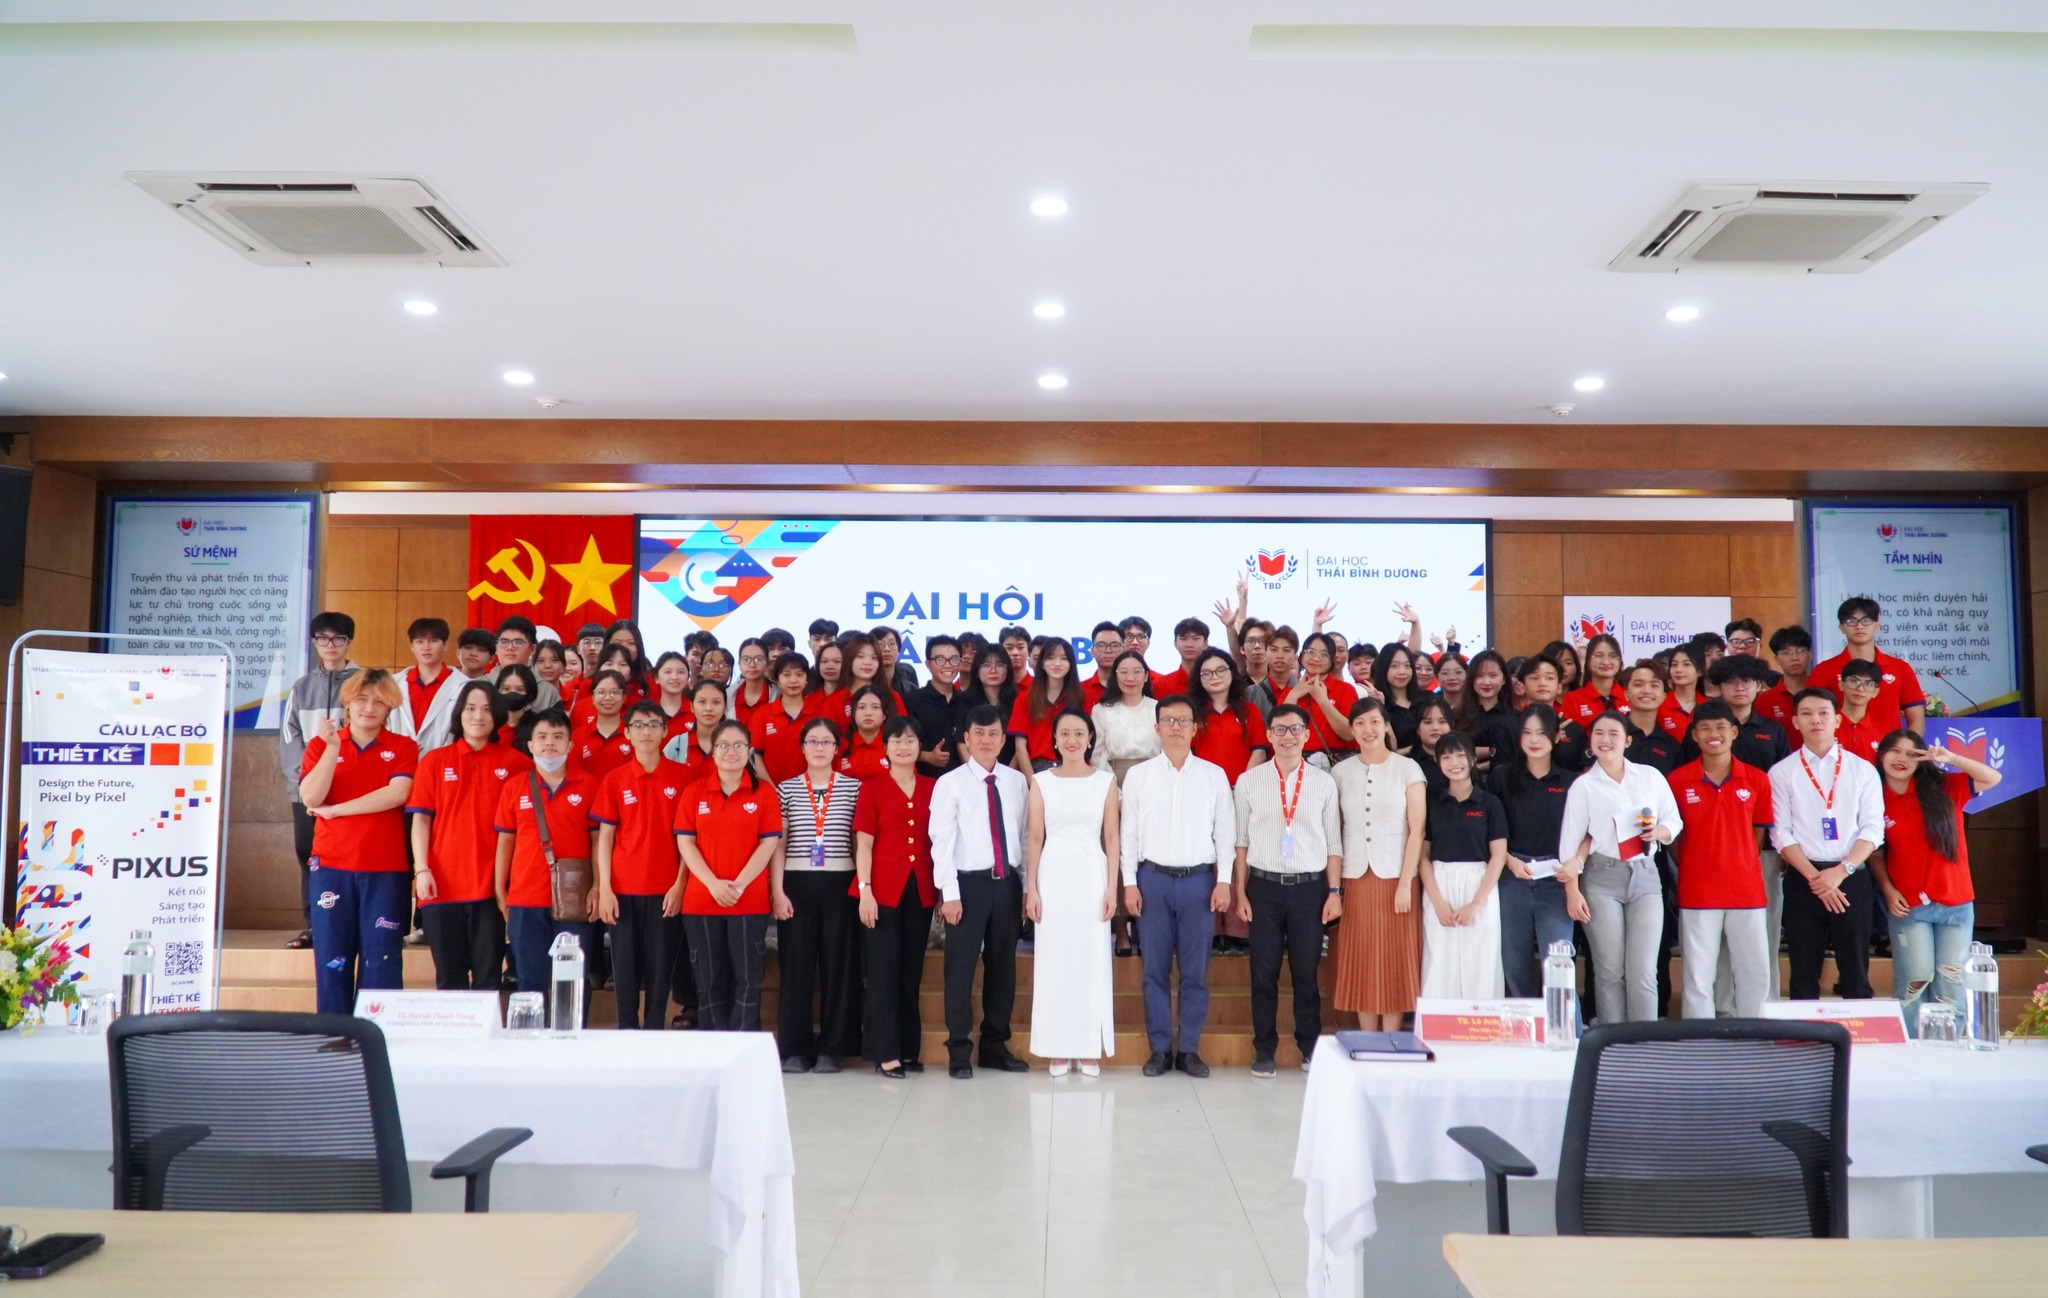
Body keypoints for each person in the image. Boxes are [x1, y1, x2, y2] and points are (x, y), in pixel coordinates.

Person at [1118, 696, 1235, 1076]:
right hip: (1151, 879)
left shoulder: (1213, 775)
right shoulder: (1139, 776)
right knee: (1153, 969)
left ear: (1195, 727)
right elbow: (1128, 834)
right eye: (1168, 720)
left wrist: (1224, 880)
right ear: (1157, 728)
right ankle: (1159, 1050)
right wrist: (1130, 884)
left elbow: (1226, 833)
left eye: (1184, 720)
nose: (1176, 727)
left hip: (1198, 882)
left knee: (1194, 971)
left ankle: (1188, 1050)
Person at [298, 668, 416, 1013]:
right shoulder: (321, 744)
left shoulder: (404, 746)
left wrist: (336, 810)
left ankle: (377, 1032)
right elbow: (311, 797)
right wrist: (332, 749)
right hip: (331, 866)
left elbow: (397, 793)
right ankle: (334, 1034)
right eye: (362, 699)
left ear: (390, 707)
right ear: (348, 702)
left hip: (385, 868)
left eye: (379, 701)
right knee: (331, 957)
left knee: (382, 958)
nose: (369, 708)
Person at [1234, 703, 1342, 1077]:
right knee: (1262, 973)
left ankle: (1309, 1047)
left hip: (1308, 890)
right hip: (1263, 887)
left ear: (1307, 735)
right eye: (1279, 730)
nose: (1288, 736)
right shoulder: (1249, 781)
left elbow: (1334, 844)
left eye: (1295, 729)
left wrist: (1334, 892)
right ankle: (1264, 1050)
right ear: (1268, 735)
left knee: (1305, 973)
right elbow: (1241, 843)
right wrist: (1240, 892)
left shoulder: (1324, 783)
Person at [1869, 731, 2000, 1033]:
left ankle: (1946, 1047)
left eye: (1911, 754)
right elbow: (1874, 854)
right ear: (1881, 754)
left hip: (1956, 903)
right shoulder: (1873, 797)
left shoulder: (1945, 787)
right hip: (1909, 906)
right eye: (1894, 751)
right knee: (1914, 980)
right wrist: (1888, 890)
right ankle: (1911, 1045)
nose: (1901, 759)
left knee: (1951, 982)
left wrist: (1951, 758)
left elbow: (1992, 777)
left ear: (1922, 759)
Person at [1560, 712, 1683, 1023]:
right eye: (1598, 733)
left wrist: (1660, 832)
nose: (1605, 740)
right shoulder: (1584, 786)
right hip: (1601, 877)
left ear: (1627, 741)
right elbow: (1570, 844)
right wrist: (1572, 891)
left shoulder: (1650, 776)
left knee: (1644, 971)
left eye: (1613, 733)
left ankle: (1644, 1041)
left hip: (1645, 875)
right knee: (1610, 970)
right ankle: (1612, 1040)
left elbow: (1674, 819)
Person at [931, 705, 1032, 1078]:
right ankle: (959, 1051)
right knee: (960, 969)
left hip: (1007, 885)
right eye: (979, 733)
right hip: (967, 885)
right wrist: (949, 893)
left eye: (993, 734)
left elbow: (1024, 837)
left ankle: (994, 1046)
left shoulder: (1016, 781)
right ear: (967, 739)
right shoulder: (951, 783)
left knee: (1003, 968)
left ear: (1003, 740)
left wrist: (1026, 887)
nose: (986, 740)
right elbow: (941, 842)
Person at [408, 679, 529, 992]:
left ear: (497, 715)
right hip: (441, 887)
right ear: (459, 713)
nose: (478, 716)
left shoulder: (518, 764)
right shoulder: (435, 761)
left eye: (487, 709)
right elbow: (421, 820)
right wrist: (422, 870)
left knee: (489, 980)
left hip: (492, 890)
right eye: (471, 708)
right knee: (449, 980)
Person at [1769, 687, 1886, 1002]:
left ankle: (1858, 1031)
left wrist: (1840, 871)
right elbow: (1780, 833)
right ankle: (1804, 1033)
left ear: (1837, 720)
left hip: (1851, 876)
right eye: (1806, 714)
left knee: (1855, 969)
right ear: (1795, 722)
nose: (1815, 720)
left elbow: (1873, 828)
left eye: (1823, 713)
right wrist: (1816, 879)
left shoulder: (1862, 769)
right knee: (1803, 968)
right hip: (1803, 878)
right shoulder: (1782, 772)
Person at [1025, 711, 1122, 1076]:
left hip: (1091, 874)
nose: (1072, 740)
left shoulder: (1105, 782)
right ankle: (1057, 1047)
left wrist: (1111, 887)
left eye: (1079, 733)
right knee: (1055, 961)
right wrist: (1031, 888)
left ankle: (1087, 1047)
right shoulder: (1041, 782)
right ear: (1054, 739)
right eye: (1064, 733)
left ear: (1090, 739)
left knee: (1090, 959)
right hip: (1053, 874)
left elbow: (1111, 837)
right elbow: (1036, 837)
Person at [1665, 700, 1775, 1018]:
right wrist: (1696, 864)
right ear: (1694, 735)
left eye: (1720, 727)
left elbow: (1758, 834)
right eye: (1705, 728)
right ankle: (1699, 1039)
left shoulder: (1757, 779)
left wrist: (1738, 862)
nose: (1713, 734)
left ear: (1734, 732)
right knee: (1698, 977)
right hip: (1698, 891)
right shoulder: (1677, 781)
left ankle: (1755, 1034)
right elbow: (1673, 838)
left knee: (1754, 973)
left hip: (1747, 891)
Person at [676, 718, 782, 1031]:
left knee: (747, 979)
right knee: (708, 980)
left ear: (749, 751)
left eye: (739, 745)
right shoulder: (695, 791)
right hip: (701, 900)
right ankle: (714, 1045)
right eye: (723, 745)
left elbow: (769, 843)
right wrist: (712, 884)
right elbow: (686, 842)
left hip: (749, 900)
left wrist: (739, 885)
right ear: (712, 750)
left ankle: (743, 1044)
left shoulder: (764, 793)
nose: (731, 751)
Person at [591, 701, 690, 1030]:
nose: (646, 732)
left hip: (665, 890)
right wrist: (605, 889)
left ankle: (654, 1034)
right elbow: (605, 838)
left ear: (665, 731)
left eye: (653, 725)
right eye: (638, 726)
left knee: (661, 971)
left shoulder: (683, 778)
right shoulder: (615, 779)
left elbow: (689, 840)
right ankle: (626, 1034)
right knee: (624, 969)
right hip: (622, 890)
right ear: (627, 733)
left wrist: (680, 885)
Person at [772, 717, 864, 1072]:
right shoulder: (787, 789)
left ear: (837, 748)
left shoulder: (854, 788)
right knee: (796, 965)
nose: (820, 748)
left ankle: (833, 1048)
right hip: (797, 883)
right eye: (813, 741)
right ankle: (795, 1048)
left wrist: (863, 888)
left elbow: (859, 844)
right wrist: (777, 891)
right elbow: (779, 846)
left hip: (841, 883)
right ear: (803, 747)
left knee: (840, 966)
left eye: (827, 742)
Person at [1332, 698, 1426, 1029]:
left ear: (1386, 725)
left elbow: (1417, 830)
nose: (1368, 729)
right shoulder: (1340, 772)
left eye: (1374, 721)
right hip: (1355, 877)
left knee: (1394, 958)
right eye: (1359, 723)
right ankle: (1368, 1040)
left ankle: (1392, 1039)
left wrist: (1405, 883)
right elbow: (1335, 831)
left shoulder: (1408, 769)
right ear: (1351, 730)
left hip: (1397, 878)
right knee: (1361, 957)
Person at [492, 708, 599, 996]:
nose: (549, 743)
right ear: (530, 745)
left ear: (570, 745)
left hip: (574, 897)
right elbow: (505, 841)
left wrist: (598, 886)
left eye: (557, 736)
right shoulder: (514, 787)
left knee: (572, 983)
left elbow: (598, 841)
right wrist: (500, 889)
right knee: (530, 981)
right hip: (525, 897)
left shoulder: (589, 784)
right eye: (542, 737)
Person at [854, 716, 938, 1078]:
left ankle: (907, 1049)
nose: (904, 747)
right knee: (882, 972)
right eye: (896, 741)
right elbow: (864, 844)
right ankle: (885, 1052)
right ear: (885, 747)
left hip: (921, 890)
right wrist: (865, 890)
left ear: (920, 747)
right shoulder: (872, 788)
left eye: (910, 740)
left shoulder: (934, 787)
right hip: (881, 892)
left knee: (910, 972)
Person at [281, 610, 361, 948]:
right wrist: (309, 780)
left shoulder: (364, 683)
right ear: (314, 642)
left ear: (349, 642)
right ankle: (316, 924)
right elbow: (289, 737)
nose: (331, 644)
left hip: (352, 791)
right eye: (323, 638)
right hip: (307, 790)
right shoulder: (302, 687)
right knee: (310, 855)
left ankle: (355, 924)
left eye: (338, 638)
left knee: (353, 856)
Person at [1490, 705, 1576, 999]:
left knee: (1559, 965)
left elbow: (1587, 832)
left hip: (1555, 881)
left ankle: (1566, 1026)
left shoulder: (1571, 782)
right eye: (1527, 732)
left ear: (1556, 736)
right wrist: (1510, 861)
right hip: (1512, 878)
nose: (1534, 739)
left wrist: (1576, 863)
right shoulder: (1502, 778)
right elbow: (1490, 831)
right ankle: (1520, 1025)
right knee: (1513, 962)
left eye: (1541, 732)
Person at [1418, 732, 1508, 999]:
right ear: (1438, 762)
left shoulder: (1489, 803)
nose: (1454, 762)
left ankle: (1482, 1023)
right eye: (1446, 757)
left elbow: (1498, 856)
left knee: (1481, 960)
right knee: (1439, 961)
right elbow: (1423, 857)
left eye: (1460, 755)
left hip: (1480, 884)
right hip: (1440, 883)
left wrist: (1476, 903)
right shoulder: (1433, 803)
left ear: (1472, 759)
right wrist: (1437, 902)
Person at [1809, 596, 1926, 733]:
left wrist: (1906, 746)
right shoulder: (1824, 670)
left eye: (1866, 620)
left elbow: (1916, 720)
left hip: (1888, 745)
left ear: (1877, 625)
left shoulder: (1900, 668)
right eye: (1851, 621)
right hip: (1840, 745)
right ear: (1841, 627)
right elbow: (1811, 714)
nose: (1859, 626)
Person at [1008, 637, 1085, 773]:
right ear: (1042, 663)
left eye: (1064, 658)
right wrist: (1032, 781)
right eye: (1050, 658)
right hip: (1037, 769)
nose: (1057, 663)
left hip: (1074, 768)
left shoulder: (1082, 698)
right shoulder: (1024, 699)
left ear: (1071, 664)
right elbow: (1020, 747)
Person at [391, 617, 463, 751]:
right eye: (420, 642)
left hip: (444, 758)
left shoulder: (462, 685)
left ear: (445, 645)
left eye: (433, 641)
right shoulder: (393, 683)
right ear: (412, 646)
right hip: (397, 757)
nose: (426, 647)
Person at [750, 652, 821, 785]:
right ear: (777, 680)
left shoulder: (819, 712)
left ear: (807, 679)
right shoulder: (763, 714)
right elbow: (756, 756)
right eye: (787, 675)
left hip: (811, 791)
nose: (793, 680)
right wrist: (772, 790)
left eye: (799, 674)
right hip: (773, 789)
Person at [1289, 632, 1358, 765]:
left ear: (1332, 660)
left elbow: (1349, 733)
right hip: (1299, 763)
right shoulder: (1290, 692)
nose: (1316, 658)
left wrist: (1323, 701)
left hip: (1338, 764)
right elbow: (1279, 732)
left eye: (1324, 654)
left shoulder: (1345, 690)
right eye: (1310, 652)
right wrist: (1293, 696)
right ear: (1302, 656)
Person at [1090, 649, 1160, 780]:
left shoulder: (1159, 709)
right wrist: (1112, 787)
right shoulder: (1101, 711)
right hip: (1113, 777)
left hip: (1154, 776)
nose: (1130, 678)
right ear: (1115, 676)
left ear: (1146, 676)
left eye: (1137, 672)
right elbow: (1097, 756)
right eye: (1123, 672)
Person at [904, 634, 967, 779]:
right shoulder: (912, 700)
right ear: (928, 664)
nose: (948, 665)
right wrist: (926, 756)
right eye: (940, 659)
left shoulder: (968, 701)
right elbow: (898, 743)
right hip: (925, 781)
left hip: (964, 783)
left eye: (954, 659)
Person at [959, 640, 1023, 768]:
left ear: (1008, 670)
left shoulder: (1019, 701)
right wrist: (979, 773)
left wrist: (1006, 774)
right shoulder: (964, 701)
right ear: (977, 670)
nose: (993, 670)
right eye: (986, 665)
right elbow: (961, 744)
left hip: (1011, 772)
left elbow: (1020, 745)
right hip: (973, 772)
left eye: (1000, 665)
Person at [1620, 660, 1684, 774]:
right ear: (1626, 694)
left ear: (1664, 697)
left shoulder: (1671, 746)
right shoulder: (1611, 734)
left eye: (1654, 685)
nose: (1647, 691)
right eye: (1638, 684)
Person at [1456, 649, 1514, 771]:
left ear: (1504, 679)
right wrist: (1493, 751)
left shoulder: (1515, 717)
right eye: (1480, 676)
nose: (1486, 682)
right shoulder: (1457, 715)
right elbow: (1454, 750)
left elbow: (1513, 757)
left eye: (1493, 676)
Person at [571, 670, 634, 778]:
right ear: (592, 697)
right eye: (601, 692)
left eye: (614, 692)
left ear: (624, 697)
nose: (608, 698)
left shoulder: (634, 734)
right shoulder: (578, 736)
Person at [666, 679, 730, 781]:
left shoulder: (734, 744)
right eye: (702, 702)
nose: (708, 708)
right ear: (692, 706)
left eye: (716, 702)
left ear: (724, 708)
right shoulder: (677, 744)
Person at [1558, 633, 1625, 729]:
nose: (1606, 661)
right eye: (1599, 655)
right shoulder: (1572, 699)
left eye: (1612, 656)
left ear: (1619, 661)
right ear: (1588, 660)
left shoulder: (1630, 697)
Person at [1758, 625, 1814, 731]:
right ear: (1777, 659)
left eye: (1801, 650)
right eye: (1786, 653)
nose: (1794, 658)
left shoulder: (1823, 693)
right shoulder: (1765, 700)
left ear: (1809, 655)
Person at [1832, 659, 1889, 761]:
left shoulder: (1884, 733)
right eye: (1854, 681)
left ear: (1875, 692)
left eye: (1869, 684)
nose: (1860, 689)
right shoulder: (1825, 726)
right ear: (1841, 685)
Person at [836, 686, 892, 779]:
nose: (868, 713)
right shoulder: (839, 746)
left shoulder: (894, 745)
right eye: (862, 707)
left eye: (875, 707)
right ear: (853, 713)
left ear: (884, 714)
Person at [1655, 643, 1705, 742]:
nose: (1678, 670)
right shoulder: (1659, 704)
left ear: (1700, 671)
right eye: (1674, 665)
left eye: (1686, 664)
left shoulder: (1708, 706)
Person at [1407, 697, 1454, 793]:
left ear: (1451, 727)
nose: (1435, 727)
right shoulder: (1408, 765)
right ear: (1418, 729)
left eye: (1442, 722)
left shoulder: (1462, 760)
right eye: (1428, 722)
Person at [1153, 617, 1209, 696]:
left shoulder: (1214, 681)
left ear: (1205, 643)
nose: (1189, 645)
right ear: (1175, 644)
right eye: (1183, 639)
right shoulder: (1162, 684)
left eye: (1196, 639)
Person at [731, 639, 776, 725]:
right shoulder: (728, 696)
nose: (752, 665)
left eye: (758, 659)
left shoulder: (779, 695)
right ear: (739, 664)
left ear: (767, 663)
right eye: (746, 659)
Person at [1081, 622, 1123, 708]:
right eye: (1101, 645)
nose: (1108, 650)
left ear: (1124, 650)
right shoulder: (1079, 690)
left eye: (1115, 645)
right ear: (1092, 651)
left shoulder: (1134, 687)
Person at [872, 625, 922, 697]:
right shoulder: (863, 684)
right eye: (880, 644)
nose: (887, 649)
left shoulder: (910, 689)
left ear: (898, 650)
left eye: (892, 644)